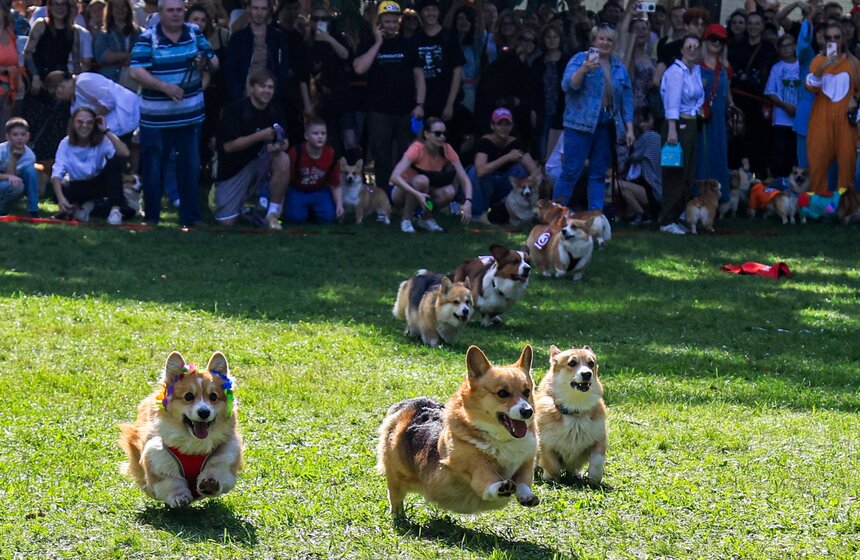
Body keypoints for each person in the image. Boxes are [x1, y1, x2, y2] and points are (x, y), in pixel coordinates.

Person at [129, 0, 218, 228]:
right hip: (155, 119)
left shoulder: (195, 32)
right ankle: (151, 218)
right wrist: (163, 87)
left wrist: (204, 61)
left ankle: (191, 218)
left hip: (189, 116)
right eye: (171, 10)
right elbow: (136, 70)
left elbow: (215, 63)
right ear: (160, 13)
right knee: (154, 167)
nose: (176, 15)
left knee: (189, 167)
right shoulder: (148, 37)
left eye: (179, 10)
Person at [553, 25, 635, 212]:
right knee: (570, 171)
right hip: (579, 124)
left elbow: (627, 100)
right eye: (601, 38)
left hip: (607, 124)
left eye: (609, 40)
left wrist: (629, 128)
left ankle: (595, 219)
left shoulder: (619, 67)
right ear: (593, 40)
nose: (605, 43)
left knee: (598, 174)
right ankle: (556, 214)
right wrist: (583, 70)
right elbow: (567, 85)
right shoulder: (579, 59)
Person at [352, 1, 425, 193]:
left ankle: (406, 195)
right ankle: (383, 196)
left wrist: (420, 104)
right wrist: (378, 43)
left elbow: (419, 78)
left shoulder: (407, 44)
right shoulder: (368, 42)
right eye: (388, 21)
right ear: (379, 22)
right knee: (381, 156)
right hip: (379, 111)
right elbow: (359, 68)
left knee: (408, 155)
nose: (392, 25)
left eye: (395, 21)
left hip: (406, 110)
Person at [214, 69, 288, 229]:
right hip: (235, 170)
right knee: (226, 223)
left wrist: (277, 146)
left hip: (263, 164)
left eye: (271, 87)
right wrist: (260, 136)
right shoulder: (235, 109)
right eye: (263, 86)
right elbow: (228, 146)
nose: (267, 91)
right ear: (251, 88)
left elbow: (285, 142)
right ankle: (245, 206)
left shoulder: (276, 109)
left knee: (283, 159)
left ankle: (272, 214)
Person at [390, 116, 473, 233]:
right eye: (437, 134)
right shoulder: (417, 148)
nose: (442, 137)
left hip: (426, 197)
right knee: (421, 180)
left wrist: (468, 201)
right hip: (402, 193)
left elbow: (464, 177)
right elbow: (394, 176)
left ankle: (426, 218)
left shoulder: (447, 149)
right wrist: (417, 194)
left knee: (449, 192)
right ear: (427, 134)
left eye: (445, 133)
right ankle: (406, 219)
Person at [805, 21, 860, 195]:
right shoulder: (818, 60)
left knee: (847, 163)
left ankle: (844, 208)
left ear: (843, 39)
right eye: (829, 37)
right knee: (817, 161)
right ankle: (817, 208)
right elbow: (810, 86)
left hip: (845, 119)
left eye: (837, 37)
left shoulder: (854, 63)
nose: (833, 41)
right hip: (821, 118)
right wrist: (824, 65)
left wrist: (855, 100)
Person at [51, 107, 130, 224]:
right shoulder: (65, 143)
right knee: (59, 191)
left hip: (99, 184)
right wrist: (60, 199)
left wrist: (106, 131)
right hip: (77, 185)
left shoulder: (102, 140)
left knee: (115, 162)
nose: (84, 126)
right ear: (73, 123)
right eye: (80, 122)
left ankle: (115, 210)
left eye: (89, 122)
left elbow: (124, 153)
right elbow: (57, 172)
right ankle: (82, 208)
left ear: (94, 124)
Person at [660, 34, 703, 235]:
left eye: (696, 46)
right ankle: (667, 219)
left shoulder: (695, 71)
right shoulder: (676, 72)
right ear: (682, 49)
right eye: (688, 46)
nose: (692, 49)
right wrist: (672, 129)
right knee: (674, 173)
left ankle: (679, 214)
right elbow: (672, 102)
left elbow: (698, 98)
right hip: (678, 125)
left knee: (688, 172)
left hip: (692, 123)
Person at [467, 107, 539, 224]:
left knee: (521, 169)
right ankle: (478, 213)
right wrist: (507, 157)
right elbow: (480, 170)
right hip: (486, 185)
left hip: (504, 186)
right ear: (493, 126)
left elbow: (535, 171)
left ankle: (515, 212)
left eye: (507, 124)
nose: (504, 128)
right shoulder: (484, 141)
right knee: (474, 171)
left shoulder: (516, 142)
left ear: (511, 126)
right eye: (500, 124)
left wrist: (530, 180)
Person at [728, 11, 777, 177]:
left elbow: (767, 75)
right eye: (751, 23)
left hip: (759, 103)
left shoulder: (769, 48)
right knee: (737, 140)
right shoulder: (736, 46)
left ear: (762, 26)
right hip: (739, 101)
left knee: (758, 141)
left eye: (757, 23)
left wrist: (746, 76)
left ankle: (758, 181)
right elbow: (732, 71)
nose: (753, 27)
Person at [696, 24, 734, 201]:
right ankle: (697, 196)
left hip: (718, 119)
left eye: (721, 40)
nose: (717, 42)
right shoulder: (696, 65)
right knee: (699, 156)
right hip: (699, 121)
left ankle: (716, 198)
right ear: (705, 41)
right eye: (713, 39)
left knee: (717, 155)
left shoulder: (726, 68)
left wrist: (732, 108)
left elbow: (728, 94)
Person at [224, 0, 289, 101]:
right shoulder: (238, 38)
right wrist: (238, 93)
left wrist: (274, 90)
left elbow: (283, 66)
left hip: (270, 95)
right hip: (244, 95)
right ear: (248, 9)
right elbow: (230, 68)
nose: (259, 13)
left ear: (268, 10)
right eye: (255, 8)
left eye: (263, 9)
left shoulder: (278, 36)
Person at [283, 116, 342, 223]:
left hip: (319, 190)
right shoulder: (296, 152)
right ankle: (304, 210)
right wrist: (280, 204)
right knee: (295, 218)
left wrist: (339, 205)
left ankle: (314, 210)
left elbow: (335, 183)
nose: (320, 137)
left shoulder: (331, 154)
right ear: (306, 135)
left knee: (328, 218)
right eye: (315, 133)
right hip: (298, 190)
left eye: (323, 133)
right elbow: (285, 181)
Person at [415, 0, 465, 123]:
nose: (431, 13)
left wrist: (450, 104)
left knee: (445, 138)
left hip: (445, 100)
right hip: (421, 102)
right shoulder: (415, 38)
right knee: (420, 139)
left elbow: (457, 72)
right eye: (427, 10)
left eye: (434, 9)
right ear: (421, 13)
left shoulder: (450, 37)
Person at [617, 106, 661, 224]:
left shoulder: (649, 137)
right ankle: (643, 214)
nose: (642, 124)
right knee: (625, 191)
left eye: (645, 120)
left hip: (653, 191)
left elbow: (631, 156)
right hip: (652, 190)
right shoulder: (658, 136)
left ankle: (643, 214)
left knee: (616, 185)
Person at [765, 33, 800, 181]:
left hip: (799, 121)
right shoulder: (776, 68)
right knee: (780, 156)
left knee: (795, 157)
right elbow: (770, 92)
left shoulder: (803, 65)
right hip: (780, 120)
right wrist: (785, 106)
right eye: (782, 46)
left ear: (795, 46)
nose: (786, 49)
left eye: (789, 45)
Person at [95, 0, 141, 86]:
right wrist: (127, 55)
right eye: (116, 6)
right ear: (110, 10)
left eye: (123, 6)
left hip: (133, 80)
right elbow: (103, 56)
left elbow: (142, 55)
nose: (120, 9)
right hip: (110, 80)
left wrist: (117, 56)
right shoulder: (104, 34)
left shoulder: (138, 32)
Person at [0, 118, 39, 217]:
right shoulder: (1, 150)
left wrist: (14, 159)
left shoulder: (30, 156)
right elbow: (11, 176)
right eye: (15, 135)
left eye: (23, 134)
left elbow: (14, 178)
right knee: (13, 185)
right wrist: (13, 158)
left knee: (30, 173)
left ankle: (33, 209)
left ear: (28, 136)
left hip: (12, 183)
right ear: (7, 137)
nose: (19, 138)